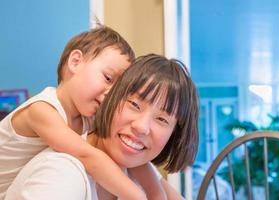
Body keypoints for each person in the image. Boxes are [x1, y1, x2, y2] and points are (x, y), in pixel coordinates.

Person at [0, 26, 165, 200]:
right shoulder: (41, 110)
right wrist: (137, 196)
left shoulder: (88, 117)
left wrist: (157, 194)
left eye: (117, 89)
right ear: (75, 61)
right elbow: (90, 157)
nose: (111, 93)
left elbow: (132, 159)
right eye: (108, 78)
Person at [5, 54, 199, 200]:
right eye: (134, 105)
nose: (141, 127)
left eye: (162, 119)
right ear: (110, 100)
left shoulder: (133, 165)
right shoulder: (63, 173)